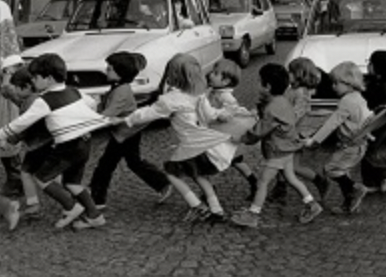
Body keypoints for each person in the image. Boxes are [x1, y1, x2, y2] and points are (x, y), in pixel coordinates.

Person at [0, 53, 115, 230]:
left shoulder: (44, 100)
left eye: (36, 77)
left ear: (48, 79)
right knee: (73, 183)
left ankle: (71, 207)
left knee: (41, 178)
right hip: (85, 141)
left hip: (68, 145)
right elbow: (92, 104)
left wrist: (2, 134)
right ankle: (94, 216)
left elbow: (21, 123)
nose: (34, 80)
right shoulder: (74, 91)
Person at [124, 54, 237, 222]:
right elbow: (211, 115)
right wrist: (223, 114)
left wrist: (127, 119)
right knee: (199, 176)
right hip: (207, 144)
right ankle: (216, 208)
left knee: (171, 173)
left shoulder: (171, 100)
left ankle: (197, 207)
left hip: (191, 145)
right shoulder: (199, 96)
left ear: (173, 75)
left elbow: (147, 114)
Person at [230, 63, 322, 228]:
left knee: (263, 183)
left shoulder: (272, 108)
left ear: (268, 86)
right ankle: (311, 204)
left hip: (277, 151)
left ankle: (253, 214)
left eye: (259, 81)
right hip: (288, 150)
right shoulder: (282, 101)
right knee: (292, 179)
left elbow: (259, 131)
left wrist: (241, 138)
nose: (257, 84)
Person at [88, 52, 173, 211]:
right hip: (127, 132)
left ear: (120, 73)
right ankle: (162, 183)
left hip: (125, 133)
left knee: (106, 166)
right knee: (132, 162)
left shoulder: (121, 91)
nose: (106, 71)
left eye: (110, 69)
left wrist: (87, 123)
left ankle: (97, 199)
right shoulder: (119, 87)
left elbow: (109, 113)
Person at [303, 61, 372, 214]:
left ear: (348, 83)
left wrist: (314, 140)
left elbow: (332, 123)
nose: (332, 86)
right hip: (358, 144)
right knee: (341, 170)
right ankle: (349, 204)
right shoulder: (358, 97)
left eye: (335, 83)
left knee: (331, 169)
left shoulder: (347, 101)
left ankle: (355, 189)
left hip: (350, 146)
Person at [270, 57, 327, 203]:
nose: (287, 74)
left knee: (293, 166)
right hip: (288, 132)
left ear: (299, 74)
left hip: (295, 134)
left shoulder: (301, 93)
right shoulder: (293, 90)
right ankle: (280, 187)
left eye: (290, 71)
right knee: (280, 160)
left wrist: (280, 120)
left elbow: (296, 114)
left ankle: (319, 180)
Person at [204, 59, 260, 201]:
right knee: (235, 161)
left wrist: (222, 115)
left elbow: (233, 111)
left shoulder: (225, 96)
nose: (211, 75)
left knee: (211, 161)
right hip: (216, 132)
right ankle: (254, 182)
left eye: (215, 73)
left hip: (223, 134)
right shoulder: (213, 91)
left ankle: (210, 190)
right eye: (212, 72)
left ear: (225, 81)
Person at [4, 66, 49, 220]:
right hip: (40, 143)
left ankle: (68, 203)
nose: (15, 90)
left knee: (30, 174)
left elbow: (26, 126)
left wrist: (11, 139)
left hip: (39, 144)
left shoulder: (31, 102)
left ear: (27, 86)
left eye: (17, 87)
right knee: (35, 174)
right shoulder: (31, 99)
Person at [360, 50, 386, 194]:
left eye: (371, 63)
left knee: (368, 152)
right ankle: (371, 183)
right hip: (370, 121)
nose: (368, 65)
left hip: (379, 124)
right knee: (364, 152)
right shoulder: (373, 81)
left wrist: (377, 114)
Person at [0, 0, 22, 197]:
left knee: (5, 129)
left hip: (1, 79)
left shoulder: (1, 7)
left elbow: (10, 47)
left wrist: (7, 79)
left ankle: (15, 178)